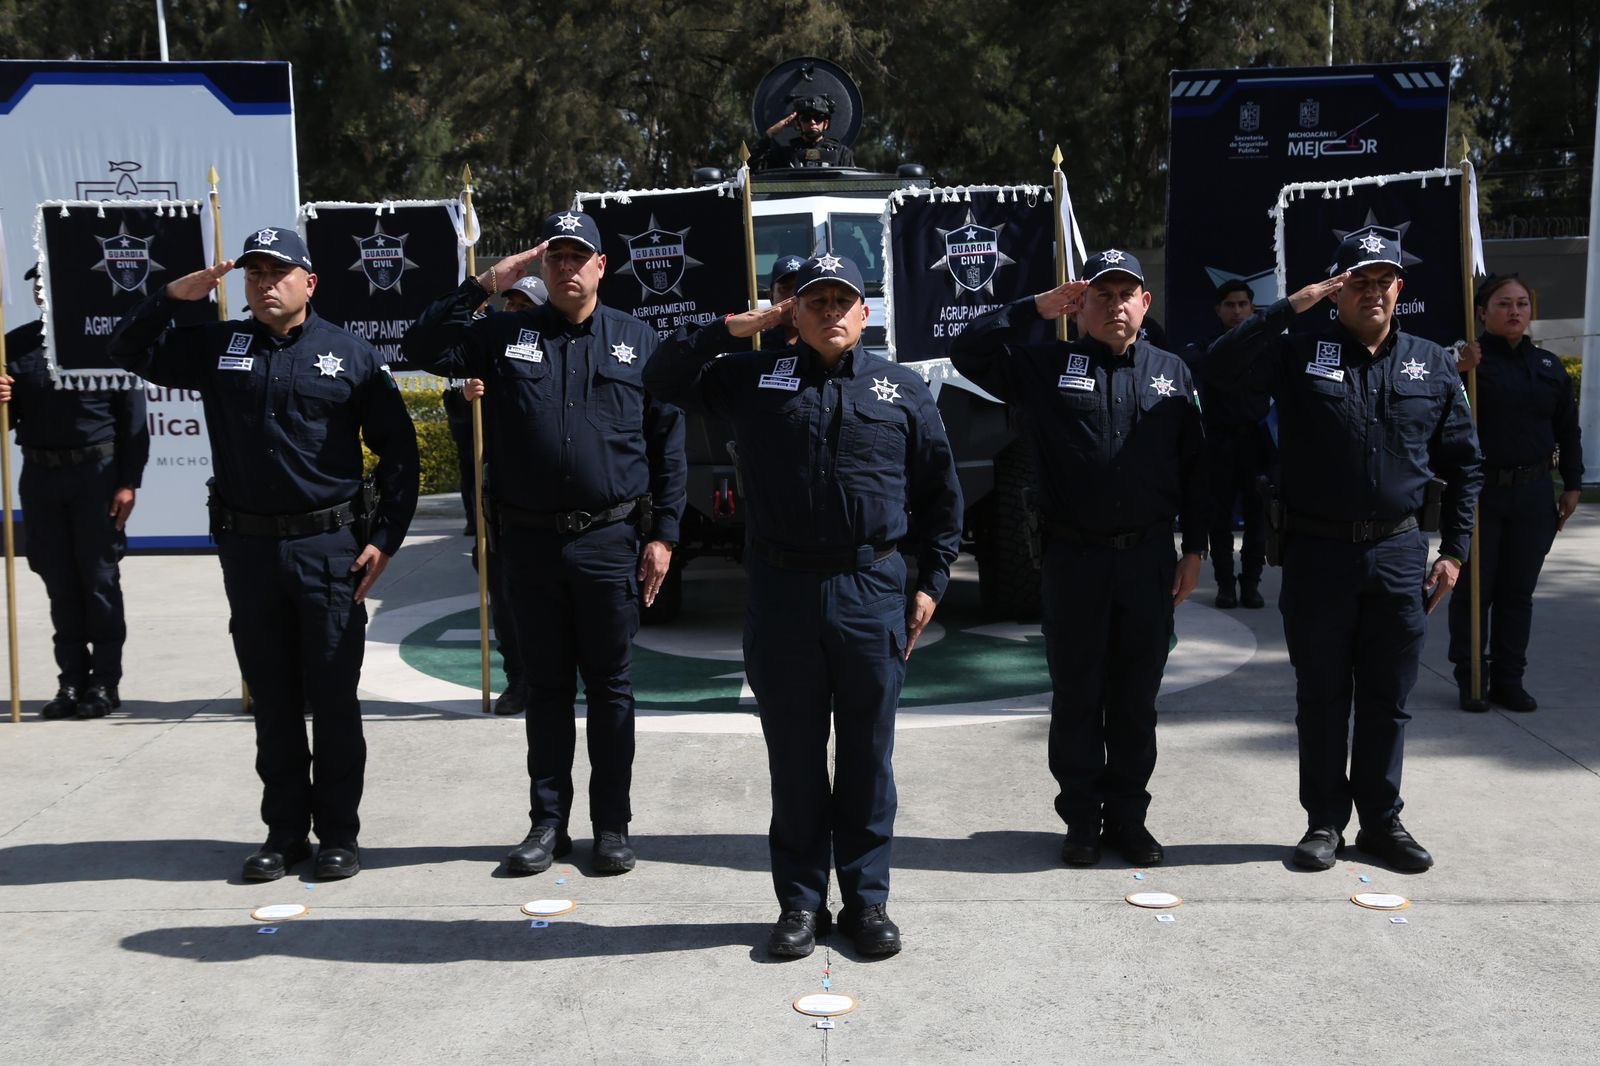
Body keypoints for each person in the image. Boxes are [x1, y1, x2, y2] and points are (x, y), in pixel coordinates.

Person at [645, 254, 961, 959]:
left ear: (864, 312)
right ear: (796, 310)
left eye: (841, 300)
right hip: (784, 593)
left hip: (869, 591)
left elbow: (942, 496)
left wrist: (931, 581)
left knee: (866, 759)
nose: (829, 312)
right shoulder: (754, 380)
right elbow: (661, 376)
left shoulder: (901, 389)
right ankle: (799, 902)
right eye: (814, 300)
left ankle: (868, 902)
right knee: (792, 760)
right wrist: (738, 327)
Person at [107, 227, 418, 881]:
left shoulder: (350, 355)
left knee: (333, 699)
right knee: (272, 700)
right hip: (249, 552)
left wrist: (384, 540)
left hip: (329, 550)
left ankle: (339, 834)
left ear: (309, 282)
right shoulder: (218, 346)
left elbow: (399, 455)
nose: (264, 283)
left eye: (278, 272)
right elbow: (127, 349)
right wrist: (172, 295)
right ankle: (284, 833)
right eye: (253, 274)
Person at [402, 210, 685, 877]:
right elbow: (419, 345)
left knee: (612, 689)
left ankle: (612, 826)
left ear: (599, 266)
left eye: (576, 256)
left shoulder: (638, 342)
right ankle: (547, 823)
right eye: (553, 256)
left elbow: (668, 445)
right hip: (529, 544)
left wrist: (664, 535)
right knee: (547, 689)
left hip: (609, 540)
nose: (564, 267)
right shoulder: (504, 333)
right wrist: (490, 280)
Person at [1207, 227, 1481, 873]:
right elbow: (1219, 367)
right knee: (1322, 696)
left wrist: (1455, 550)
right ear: (1337, 291)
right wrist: (1287, 306)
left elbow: (1465, 463)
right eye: (1359, 280)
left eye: (1384, 280)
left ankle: (1383, 823)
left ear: (1399, 289)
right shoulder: (1298, 351)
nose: (1373, 291)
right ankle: (1324, 821)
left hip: (1398, 552)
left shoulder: (1431, 363)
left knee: (1389, 696)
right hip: (1318, 555)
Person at [951, 250, 1206, 870]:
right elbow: (968, 352)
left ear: (1146, 304)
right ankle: (1083, 820)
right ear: (1080, 305)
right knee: (1077, 695)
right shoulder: (1045, 365)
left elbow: (1197, 468)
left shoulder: (1172, 372)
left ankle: (1129, 817)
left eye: (1128, 293)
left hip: (1146, 559)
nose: (1116, 304)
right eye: (1102, 294)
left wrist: (1195, 546)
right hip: (1073, 558)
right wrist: (1032, 309)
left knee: (1136, 696)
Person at [0, 264, 149, 719]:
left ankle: (104, 683)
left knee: (99, 582)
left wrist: (128, 482)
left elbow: (134, 419)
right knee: (58, 581)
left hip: (96, 474)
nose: (42, 289)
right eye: (37, 283)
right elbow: (9, 422)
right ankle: (71, 682)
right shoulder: (15, 344)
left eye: (50, 278)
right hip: (41, 476)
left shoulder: (103, 341)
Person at [1448, 275, 1583, 713]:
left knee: (1517, 592)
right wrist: (1461, 373)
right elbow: (1439, 419)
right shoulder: (1467, 364)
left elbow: (1567, 429)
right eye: (1503, 303)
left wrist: (1574, 485)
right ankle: (1472, 678)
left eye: (1522, 303)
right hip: (1481, 491)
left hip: (1533, 492)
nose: (1514, 311)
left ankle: (1510, 678)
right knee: (1475, 591)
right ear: (1482, 312)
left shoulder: (1548, 366)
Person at [1182, 279, 1272, 608]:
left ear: (1253, 309)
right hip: (1218, 442)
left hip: (1256, 442)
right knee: (1218, 519)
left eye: (1243, 304)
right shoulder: (1205, 346)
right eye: (1230, 305)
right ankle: (1225, 586)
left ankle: (1251, 584)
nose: (1237, 311)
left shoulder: (1267, 346)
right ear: (1218, 310)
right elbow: (1190, 361)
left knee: (1257, 516)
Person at [750, 94, 856, 170]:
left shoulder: (842, 154)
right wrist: (770, 134)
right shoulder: (784, 156)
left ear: (826, 123)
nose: (812, 122)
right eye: (806, 118)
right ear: (797, 124)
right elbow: (749, 169)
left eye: (818, 117)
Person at [760, 254, 806, 349]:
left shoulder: (825, 342)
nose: (793, 296)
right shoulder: (756, 343)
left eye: (799, 288)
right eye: (785, 288)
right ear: (771, 296)